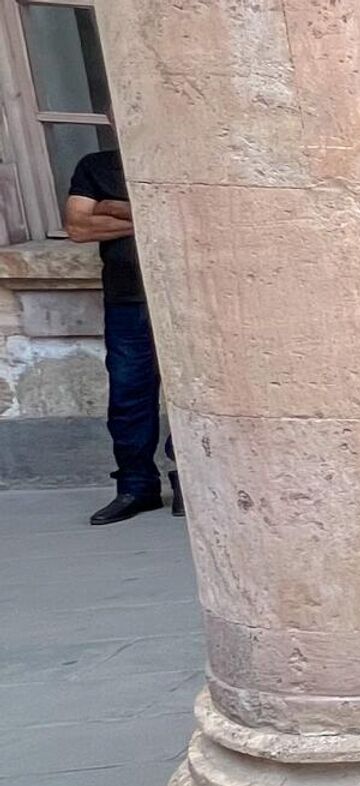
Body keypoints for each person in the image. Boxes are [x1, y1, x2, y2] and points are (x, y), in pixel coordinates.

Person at [65, 147, 181, 525]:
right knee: (129, 395)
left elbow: (192, 218)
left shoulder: (179, 159)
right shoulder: (95, 166)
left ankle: (188, 482)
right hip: (128, 299)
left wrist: (113, 208)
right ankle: (136, 487)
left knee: (195, 395)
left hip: (187, 300)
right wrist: (148, 215)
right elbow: (78, 227)